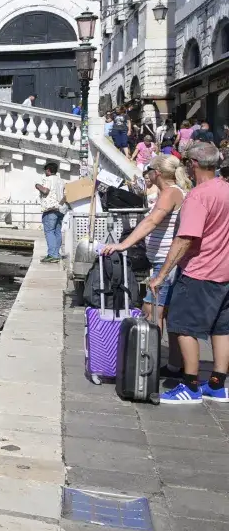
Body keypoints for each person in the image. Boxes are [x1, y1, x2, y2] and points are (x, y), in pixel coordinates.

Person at [150, 141, 229, 404]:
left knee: (183, 327)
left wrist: (161, 275)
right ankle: (217, 385)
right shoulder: (226, 190)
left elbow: (185, 239)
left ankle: (191, 386)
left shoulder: (198, 196)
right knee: (222, 329)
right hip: (225, 273)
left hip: (199, 271)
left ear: (193, 164)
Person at [103, 154, 188, 378]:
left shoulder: (171, 193)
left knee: (152, 312)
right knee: (165, 314)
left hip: (165, 263)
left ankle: (149, 363)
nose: (147, 173)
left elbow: (152, 222)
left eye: (149, 169)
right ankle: (173, 366)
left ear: (157, 172)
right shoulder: (169, 192)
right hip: (162, 261)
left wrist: (123, 244)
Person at [34, 161, 65, 262]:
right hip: (60, 209)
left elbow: (45, 191)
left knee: (49, 232)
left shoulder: (48, 179)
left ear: (48, 170)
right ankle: (56, 254)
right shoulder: (61, 181)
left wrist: (38, 185)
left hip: (50, 210)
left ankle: (52, 255)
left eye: (45, 170)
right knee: (57, 232)